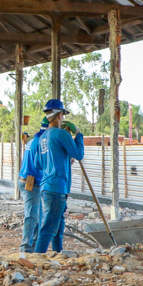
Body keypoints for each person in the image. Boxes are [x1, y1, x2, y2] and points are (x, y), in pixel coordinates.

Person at [33, 100, 84, 254]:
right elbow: (78, 154)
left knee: (58, 225)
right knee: (48, 227)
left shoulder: (42, 137)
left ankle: (58, 254)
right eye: (62, 114)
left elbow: (38, 164)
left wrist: (61, 158)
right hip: (57, 188)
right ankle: (36, 258)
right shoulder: (61, 134)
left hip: (47, 187)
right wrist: (78, 135)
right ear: (59, 115)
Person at [18, 117, 49, 253]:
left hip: (30, 181)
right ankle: (25, 248)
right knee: (32, 216)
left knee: (38, 216)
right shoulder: (41, 143)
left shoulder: (34, 140)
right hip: (30, 182)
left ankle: (35, 246)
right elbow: (39, 164)